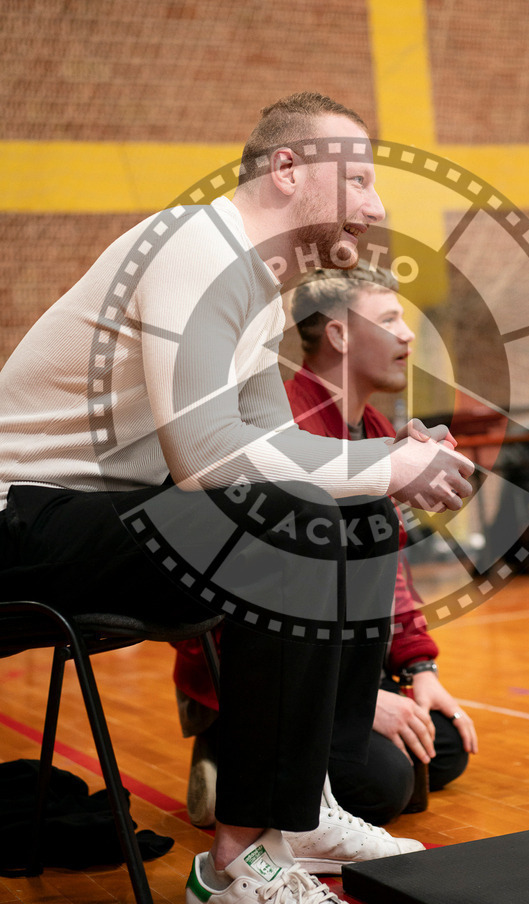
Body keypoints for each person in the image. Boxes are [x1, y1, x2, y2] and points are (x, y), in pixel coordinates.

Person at [0, 92, 474, 904]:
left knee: (350, 513)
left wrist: (389, 458)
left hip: (116, 520)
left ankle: (307, 804)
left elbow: (277, 446)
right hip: (25, 521)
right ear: (287, 171)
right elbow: (208, 459)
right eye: (357, 179)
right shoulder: (192, 245)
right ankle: (233, 861)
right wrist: (383, 464)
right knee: (282, 529)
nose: (377, 203)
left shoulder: (258, 289)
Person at [174, 261, 478, 830]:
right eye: (389, 319)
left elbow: (388, 570)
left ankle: (293, 751)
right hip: (263, 664)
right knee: (390, 785)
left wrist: (419, 671)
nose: (409, 334)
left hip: (337, 659)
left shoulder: (370, 424)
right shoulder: (286, 422)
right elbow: (261, 591)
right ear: (338, 334)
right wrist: (358, 701)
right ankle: (223, 746)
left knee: (441, 749)